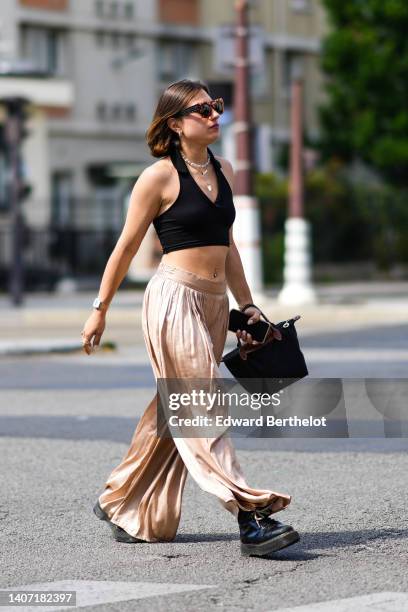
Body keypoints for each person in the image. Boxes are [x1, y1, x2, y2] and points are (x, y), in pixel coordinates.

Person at [81, 79, 300, 557]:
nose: (214, 115)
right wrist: (99, 310)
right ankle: (250, 517)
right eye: (202, 110)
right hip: (173, 299)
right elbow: (126, 247)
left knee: (177, 406)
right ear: (175, 124)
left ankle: (121, 495)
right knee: (202, 405)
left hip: (214, 303)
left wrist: (248, 306)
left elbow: (229, 245)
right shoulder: (157, 178)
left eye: (216, 106)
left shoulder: (225, 168)